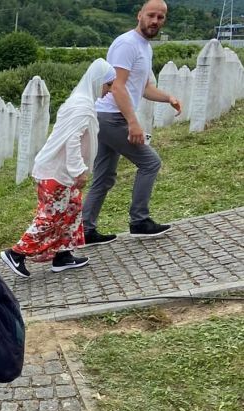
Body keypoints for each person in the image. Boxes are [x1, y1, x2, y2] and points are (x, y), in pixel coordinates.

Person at [1, 59, 117, 278]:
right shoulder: (82, 107)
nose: (109, 90)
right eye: (108, 84)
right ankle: (16, 253)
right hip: (57, 172)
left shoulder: (81, 101)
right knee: (51, 215)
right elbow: (72, 140)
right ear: (98, 82)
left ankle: (63, 255)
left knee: (72, 211)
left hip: (61, 172)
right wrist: (78, 170)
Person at [82, 0, 181, 244]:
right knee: (150, 162)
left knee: (104, 177)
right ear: (139, 15)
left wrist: (168, 97)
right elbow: (117, 86)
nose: (155, 21)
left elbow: (145, 88)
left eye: (160, 17)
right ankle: (139, 220)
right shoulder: (127, 44)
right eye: (151, 15)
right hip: (111, 117)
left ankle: (85, 229)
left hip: (109, 117)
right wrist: (133, 122)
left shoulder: (145, 47)